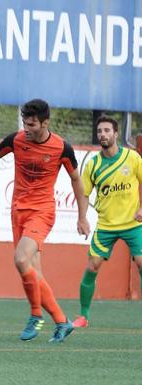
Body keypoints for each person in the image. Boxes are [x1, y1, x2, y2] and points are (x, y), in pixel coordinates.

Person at [0, 99, 90, 343]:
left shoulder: (62, 148)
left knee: (20, 259)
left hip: (42, 212)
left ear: (45, 122)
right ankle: (61, 322)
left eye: (32, 124)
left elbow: (76, 181)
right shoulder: (15, 140)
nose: (27, 128)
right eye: (24, 123)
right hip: (18, 212)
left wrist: (82, 216)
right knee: (33, 272)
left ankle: (35, 315)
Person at [72, 115, 142, 328]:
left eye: (106, 131)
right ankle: (83, 316)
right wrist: (82, 218)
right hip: (106, 226)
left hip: (133, 224)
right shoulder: (93, 165)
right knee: (92, 266)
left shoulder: (132, 158)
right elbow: (84, 194)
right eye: (100, 131)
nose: (102, 134)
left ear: (115, 134)